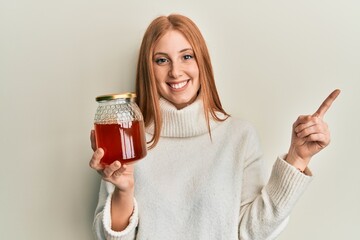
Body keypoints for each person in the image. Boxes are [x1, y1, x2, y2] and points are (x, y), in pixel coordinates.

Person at [89, 14, 340, 240]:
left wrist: (298, 158)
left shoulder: (238, 136)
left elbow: (251, 232)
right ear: (148, 69)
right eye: (162, 60)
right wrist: (124, 190)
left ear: (202, 63)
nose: (175, 71)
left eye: (187, 56)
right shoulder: (127, 138)